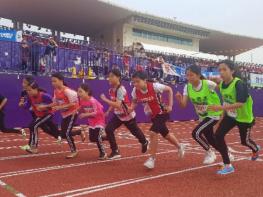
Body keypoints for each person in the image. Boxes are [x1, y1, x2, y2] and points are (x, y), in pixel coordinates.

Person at [208, 60, 260, 175]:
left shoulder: (239, 84)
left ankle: (255, 149)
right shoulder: (221, 85)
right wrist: (221, 118)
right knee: (218, 135)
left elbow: (240, 103)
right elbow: (227, 102)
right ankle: (228, 165)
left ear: (232, 71)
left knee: (244, 141)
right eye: (219, 70)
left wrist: (220, 108)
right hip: (231, 116)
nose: (221, 72)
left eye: (224, 69)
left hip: (244, 117)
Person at [131, 71, 185, 169]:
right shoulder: (135, 91)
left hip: (162, 112)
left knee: (152, 132)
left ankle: (152, 159)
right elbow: (134, 102)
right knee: (166, 134)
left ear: (144, 80)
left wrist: (170, 105)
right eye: (133, 82)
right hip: (153, 116)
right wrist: (130, 108)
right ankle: (180, 146)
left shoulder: (155, 86)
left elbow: (169, 89)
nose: (135, 84)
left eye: (137, 82)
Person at [175, 65, 222, 164]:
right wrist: (179, 99)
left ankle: (210, 153)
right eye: (187, 75)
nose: (189, 78)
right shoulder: (187, 87)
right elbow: (183, 105)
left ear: (198, 75)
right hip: (203, 116)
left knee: (196, 133)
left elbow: (222, 88)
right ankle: (226, 153)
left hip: (213, 114)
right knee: (211, 139)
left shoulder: (207, 84)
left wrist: (219, 81)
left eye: (191, 75)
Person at [100, 69, 148, 160]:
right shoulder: (111, 90)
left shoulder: (121, 89)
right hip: (118, 115)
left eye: (111, 76)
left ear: (118, 77)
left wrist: (104, 99)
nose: (109, 78)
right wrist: (108, 111)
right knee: (109, 129)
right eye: (108, 76)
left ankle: (144, 142)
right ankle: (115, 151)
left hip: (127, 115)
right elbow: (114, 102)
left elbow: (117, 104)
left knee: (135, 132)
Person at [41, 73, 86, 159]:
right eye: (52, 81)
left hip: (72, 113)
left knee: (67, 133)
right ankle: (79, 132)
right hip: (64, 114)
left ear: (61, 81)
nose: (53, 83)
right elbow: (55, 102)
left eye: (55, 81)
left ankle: (74, 151)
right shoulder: (55, 91)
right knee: (63, 134)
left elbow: (74, 103)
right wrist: (46, 106)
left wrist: (60, 107)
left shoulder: (67, 91)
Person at [22, 82, 60, 154]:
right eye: (27, 91)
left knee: (34, 126)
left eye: (30, 90)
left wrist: (44, 107)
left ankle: (34, 147)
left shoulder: (44, 96)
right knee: (32, 126)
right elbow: (27, 106)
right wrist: (22, 105)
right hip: (39, 115)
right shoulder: (30, 97)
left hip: (48, 114)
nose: (28, 92)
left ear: (36, 89)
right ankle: (31, 145)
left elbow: (55, 103)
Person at [78, 84, 107, 160]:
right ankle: (107, 137)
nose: (79, 93)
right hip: (91, 122)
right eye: (78, 92)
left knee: (97, 137)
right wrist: (75, 111)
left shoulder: (92, 101)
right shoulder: (82, 101)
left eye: (81, 92)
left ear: (87, 92)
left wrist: (85, 114)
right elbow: (80, 107)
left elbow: (96, 112)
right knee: (92, 138)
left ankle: (103, 153)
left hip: (99, 121)